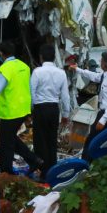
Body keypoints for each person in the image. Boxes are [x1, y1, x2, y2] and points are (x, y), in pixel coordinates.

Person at [0, 41, 42, 174]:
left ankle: (6, 172)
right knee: (9, 138)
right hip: (23, 109)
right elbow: (29, 87)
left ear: (1, 54)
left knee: (5, 144)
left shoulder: (5, 69)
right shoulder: (24, 66)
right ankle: (33, 160)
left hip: (11, 111)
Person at [69, 51, 107, 162]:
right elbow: (94, 76)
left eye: (101, 60)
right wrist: (77, 69)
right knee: (97, 140)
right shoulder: (105, 75)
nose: (100, 62)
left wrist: (103, 119)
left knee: (95, 140)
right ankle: (91, 163)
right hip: (105, 113)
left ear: (106, 64)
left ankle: (86, 163)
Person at [30, 45, 71, 178]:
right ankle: (52, 170)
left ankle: (42, 170)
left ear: (41, 57)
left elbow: (32, 92)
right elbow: (65, 96)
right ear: (54, 57)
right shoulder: (61, 73)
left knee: (40, 140)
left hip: (40, 108)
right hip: (54, 109)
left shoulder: (37, 72)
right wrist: (65, 114)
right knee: (51, 139)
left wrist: (32, 109)